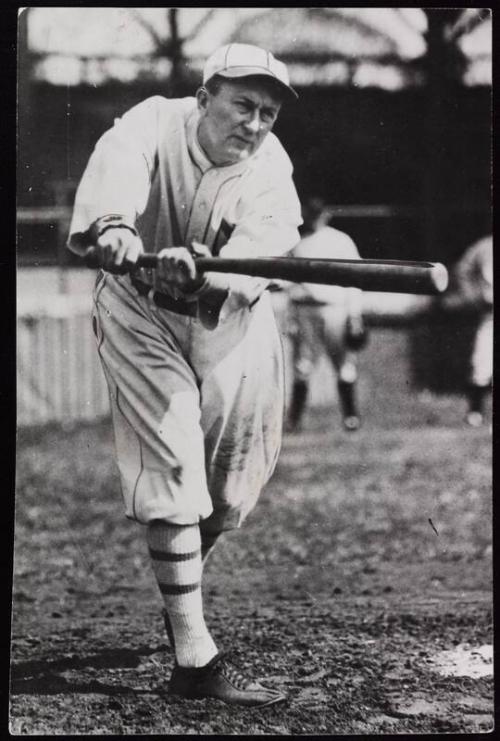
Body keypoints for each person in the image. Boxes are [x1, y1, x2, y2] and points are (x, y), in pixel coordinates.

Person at [67, 43, 302, 707]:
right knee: (172, 463)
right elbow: (117, 173)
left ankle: (180, 596)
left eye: (268, 113)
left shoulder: (271, 171)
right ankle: (195, 658)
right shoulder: (153, 122)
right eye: (242, 105)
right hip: (137, 309)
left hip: (226, 314)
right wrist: (114, 225)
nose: (254, 124)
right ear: (204, 97)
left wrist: (207, 267)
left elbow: (265, 249)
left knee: (227, 492)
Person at [285, 198, 367, 432]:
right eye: (310, 212)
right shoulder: (296, 242)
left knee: (343, 363)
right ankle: (295, 420)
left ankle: (351, 417)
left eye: (318, 212)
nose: (315, 217)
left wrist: (354, 314)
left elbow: (355, 278)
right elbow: (289, 281)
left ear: (327, 214)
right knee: (303, 364)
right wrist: (290, 316)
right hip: (304, 308)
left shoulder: (340, 240)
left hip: (334, 307)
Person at [440, 233, 493, 427]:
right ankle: (475, 412)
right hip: (490, 314)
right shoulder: (485, 247)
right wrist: (474, 297)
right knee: (482, 362)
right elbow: (463, 269)